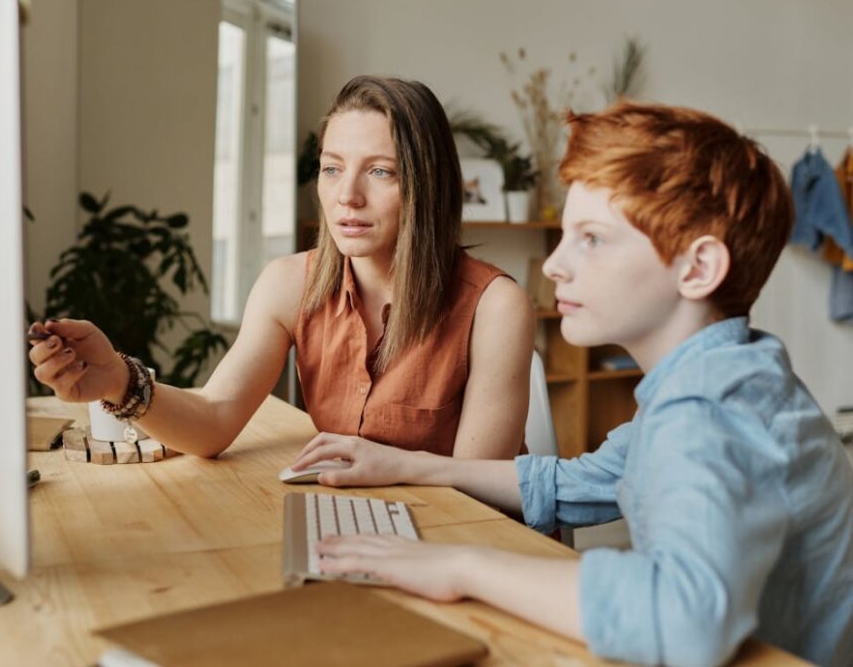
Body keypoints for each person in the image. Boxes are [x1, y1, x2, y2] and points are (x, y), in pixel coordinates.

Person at [296, 102, 853, 667]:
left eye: (592, 239)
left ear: (698, 268)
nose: (555, 265)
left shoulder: (709, 409)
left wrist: (460, 567)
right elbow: (581, 483)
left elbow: (683, 620)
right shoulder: (729, 375)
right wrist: (406, 465)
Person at [29, 75, 534, 460]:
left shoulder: (495, 307)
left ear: (428, 186)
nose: (347, 196)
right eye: (332, 168)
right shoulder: (289, 283)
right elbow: (213, 419)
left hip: (464, 546)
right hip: (361, 528)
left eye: (381, 172)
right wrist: (119, 379)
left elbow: (478, 494)